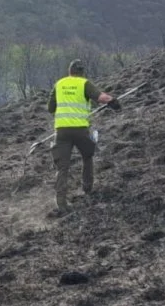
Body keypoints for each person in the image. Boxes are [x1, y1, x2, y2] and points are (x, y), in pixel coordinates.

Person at [46, 60, 117, 214]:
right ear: (82, 72)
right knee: (87, 155)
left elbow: (50, 108)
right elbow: (101, 97)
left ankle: (61, 203)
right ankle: (87, 188)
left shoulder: (59, 84)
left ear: (69, 70)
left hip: (62, 131)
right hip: (80, 130)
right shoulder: (84, 83)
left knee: (62, 167)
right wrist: (113, 102)